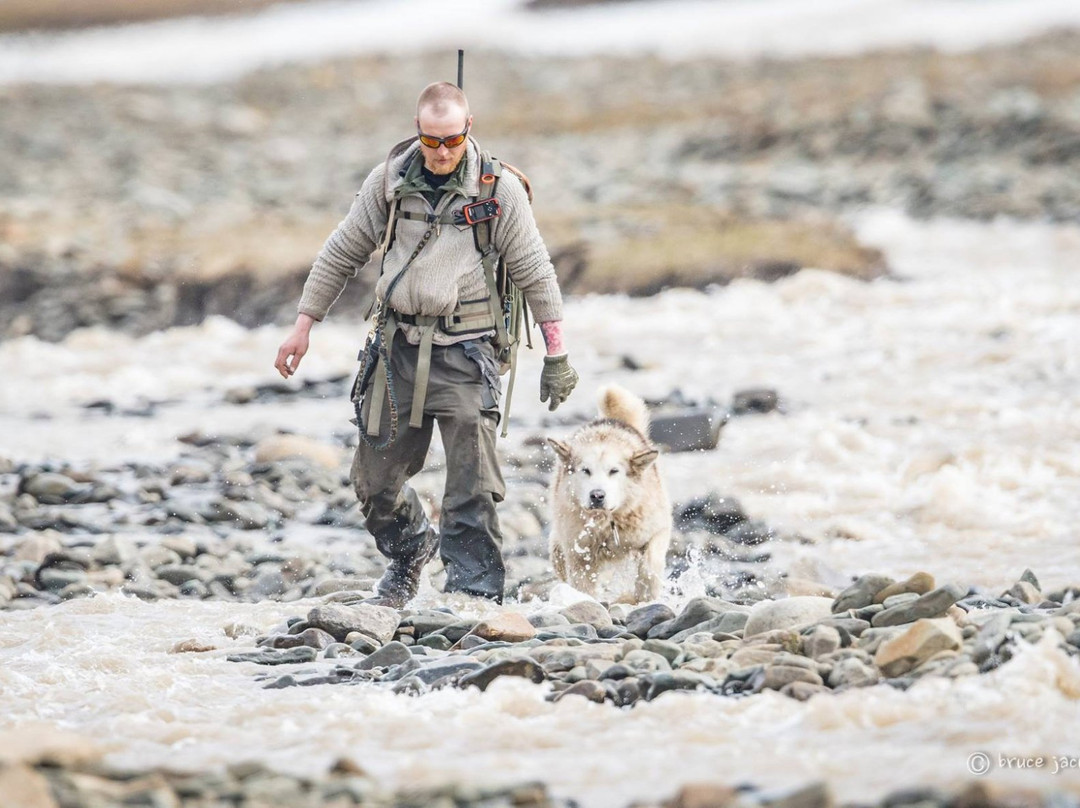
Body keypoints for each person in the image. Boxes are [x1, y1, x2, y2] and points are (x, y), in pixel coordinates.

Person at [274, 81, 578, 607]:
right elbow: (343, 250)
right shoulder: (389, 180)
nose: (441, 153)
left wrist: (557, 354)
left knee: (471, 488)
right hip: (396, 352)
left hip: (466, 351)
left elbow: (535, 271)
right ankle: (412, 550)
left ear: (468, 128)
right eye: (431, 141)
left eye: (452, 141)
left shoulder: (497, 190)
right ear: (418, 131)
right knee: (374, 486)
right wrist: (304, 323)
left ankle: (474, 599)